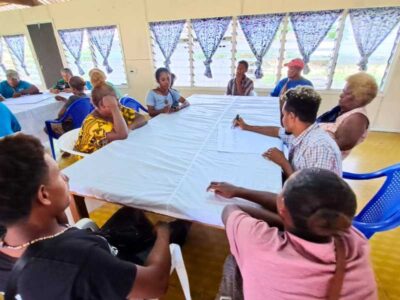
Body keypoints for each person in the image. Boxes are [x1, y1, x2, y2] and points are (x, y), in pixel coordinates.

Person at [0, 134, 172, 299]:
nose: (65, 177)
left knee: (129, 214)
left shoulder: (10, 239)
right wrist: (164, 234)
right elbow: (157, 284)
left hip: (93, 269)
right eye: (59, 174)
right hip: (123, 277)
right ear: (44, 196)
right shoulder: (81, 261)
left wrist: (53, 209)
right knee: (168, 230)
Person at [213, 168, 377, 300]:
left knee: (234, 262)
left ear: (282, 206)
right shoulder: (354, 240)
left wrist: (238, 192)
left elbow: (231, 210)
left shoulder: (259, 243)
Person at [234, 86, 341, 177]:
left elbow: (309, 196)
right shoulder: (302, 130)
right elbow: (276, 131)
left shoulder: (318, 149)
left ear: (291, 117)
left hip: (307, 198)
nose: (282, 119)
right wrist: (247, 127)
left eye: (283, 114)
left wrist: (283, 163)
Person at [317, 72, 378, 159]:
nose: (341, 95)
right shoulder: (341, 111)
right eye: (343, 91)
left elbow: (341, 145)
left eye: (346, 93)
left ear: (358, 98)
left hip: (323, 162)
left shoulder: (357, 119)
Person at [74, 84, 147, 154]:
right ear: (102, 105)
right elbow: (122, 135)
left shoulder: (118, 108)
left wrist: (129, 128)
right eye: (113, 102)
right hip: (88, 158)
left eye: (117, 99)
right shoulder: (93, 123)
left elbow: (141, 118)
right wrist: (114, 108)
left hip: (109, 151)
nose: (118, 104)